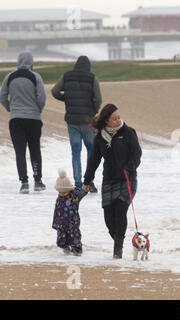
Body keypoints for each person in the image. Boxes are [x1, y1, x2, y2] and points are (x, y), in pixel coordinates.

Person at [82, 104, 142, 259]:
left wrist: (129, 168)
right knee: (109, 219)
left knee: (121, 210)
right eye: (114, 119)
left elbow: (137, 154)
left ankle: (118, 251)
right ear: (106, 121)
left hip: (128, 179)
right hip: (109, 180)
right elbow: (94, 160)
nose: (118, 121)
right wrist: (87, 180)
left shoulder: (128, 133)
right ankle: (118, 240)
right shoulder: (100, 137)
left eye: (118, 118)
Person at [51, 56, 102, 192]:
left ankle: (78, 184)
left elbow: (55, 91)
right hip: (88, 121)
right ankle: (89, 182)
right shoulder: (92, 78)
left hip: (72, 121)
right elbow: (98, 99)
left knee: (76, 153)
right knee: (92, 152)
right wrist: (94, 111)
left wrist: (66, 98)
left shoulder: (66, 76)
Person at [0, 51, 46, 194]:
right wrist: (37, 110)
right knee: (35, 149)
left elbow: (2, 96)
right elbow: (41, 98)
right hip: (33, 119)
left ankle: (24, 182)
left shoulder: (9, 77)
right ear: (31, 62)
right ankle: (37, 181)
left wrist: (10, 108)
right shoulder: (36, 77)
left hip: (16, 119)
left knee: (20, 152)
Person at [52, 169, 87, 256]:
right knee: (61, 239)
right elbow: (56, 212)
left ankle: (77, 252)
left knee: (74, 237)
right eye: (60, 192)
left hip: (73, 222)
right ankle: (65, 251)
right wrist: (55, 223)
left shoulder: (75, 195)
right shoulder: (59, 199)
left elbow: (83, 192)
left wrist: (86, 187)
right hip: (61, 223)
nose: (62, 194)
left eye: (64, 192)